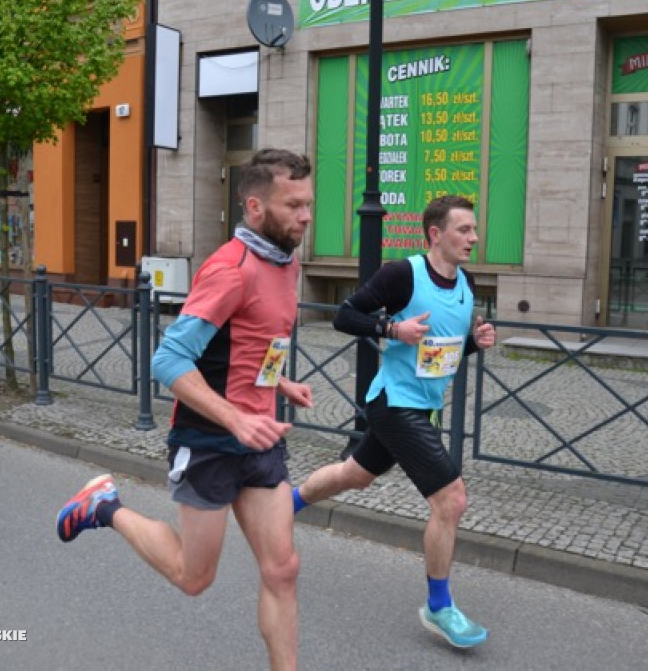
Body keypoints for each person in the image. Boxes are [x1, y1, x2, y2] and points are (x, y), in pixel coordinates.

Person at [56, 149, 314, 671]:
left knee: (282, 569)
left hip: (260, 440)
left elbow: (247, 343)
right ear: (255, 207)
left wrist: (277, 381)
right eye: (293, 205)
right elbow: (168, 359)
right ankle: (104, 506)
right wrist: (237, 417)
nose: (306, 216)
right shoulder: (231, 270)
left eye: (309, 204)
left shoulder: (288, 263)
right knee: (194, 578)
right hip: (209, 443)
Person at [292, 195, 496, 649]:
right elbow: (346, 316)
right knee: (451, 499)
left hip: (422, 405)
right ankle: (439, 606)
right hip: (393, 402)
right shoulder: (403, 274)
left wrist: (476, 343)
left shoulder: (467, 282)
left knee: (355, 476)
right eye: (464, 230)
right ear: (435, 234)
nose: (474, 238)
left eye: (474, 230)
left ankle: (285, 505)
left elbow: (443, 350)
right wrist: (390, 329)